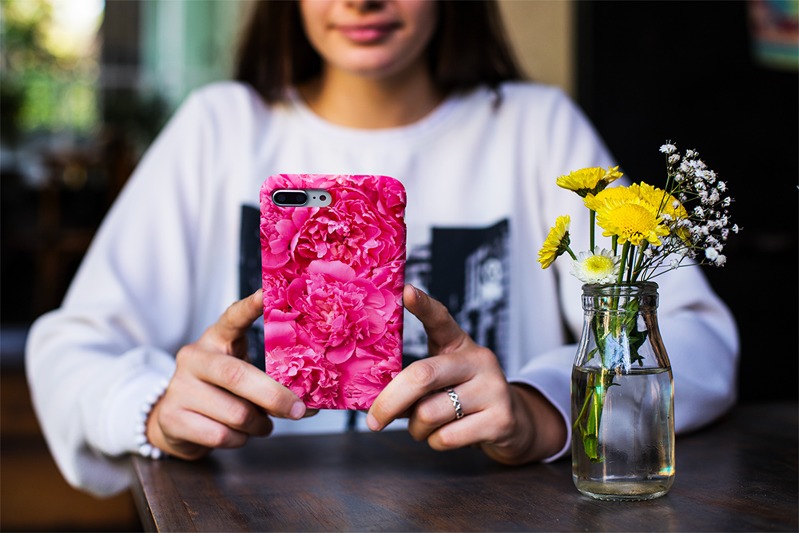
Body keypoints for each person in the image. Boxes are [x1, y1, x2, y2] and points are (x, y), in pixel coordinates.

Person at [26, 0, 739, 497]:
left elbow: (694, 336)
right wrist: (154, 409)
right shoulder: (220, 127)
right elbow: (70, 346)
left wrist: (540, 405)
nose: (361, 1)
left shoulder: (535, 126)